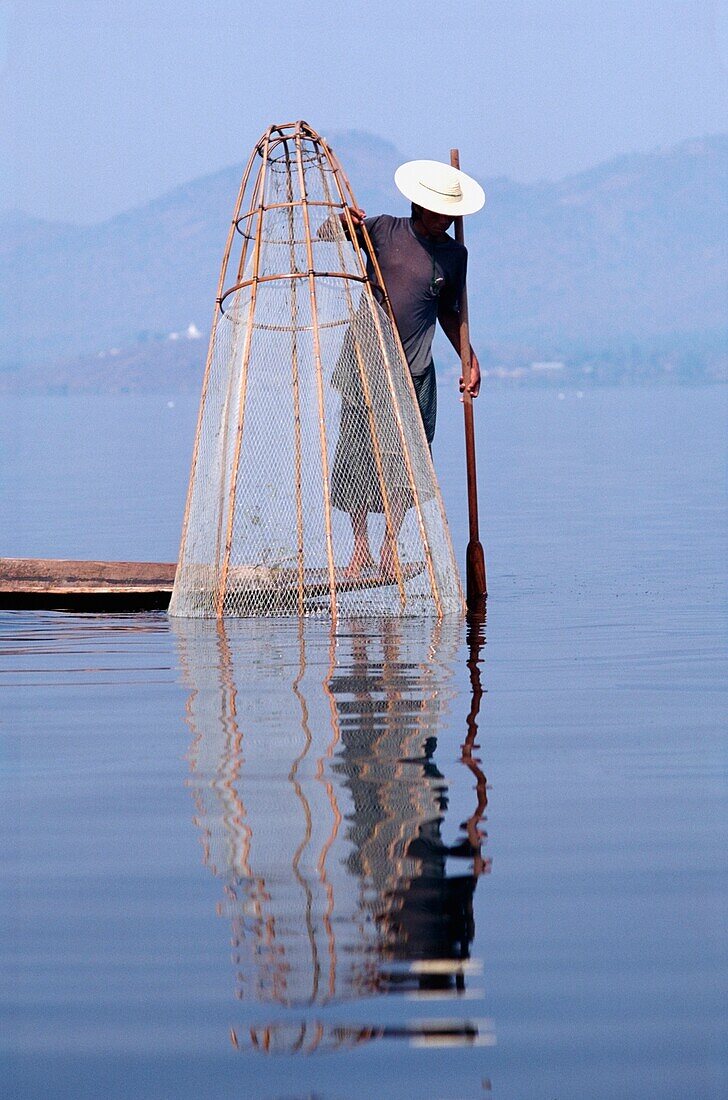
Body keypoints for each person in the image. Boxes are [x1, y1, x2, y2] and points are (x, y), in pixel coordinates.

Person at [330, 159, 485, 577]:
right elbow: (332, 233)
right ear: (419, 206)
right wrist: (343, 220)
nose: (447, 221)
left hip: (414, 366)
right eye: (439, 213)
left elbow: (451, 313)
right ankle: (360, 547)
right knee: (357, 453)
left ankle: (389, 547)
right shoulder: (383, 230)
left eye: (453, 214)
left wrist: (469, 359)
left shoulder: (455, 255)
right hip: (365, 359)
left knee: (407, 459)